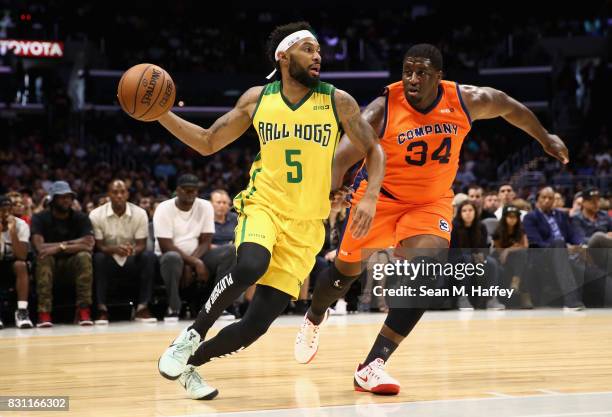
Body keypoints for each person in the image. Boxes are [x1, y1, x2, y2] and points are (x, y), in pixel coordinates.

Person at [295, 43, 569, 395]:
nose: (412, 79)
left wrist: (544, 138)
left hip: (429, 203)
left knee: (427, 274)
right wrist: (333, 189)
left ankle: (372, 364)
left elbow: (508, 106)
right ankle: (315, 316)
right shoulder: (382, 110)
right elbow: (341, 156)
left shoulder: (466, 100)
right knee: (344, 275)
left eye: (421, 73)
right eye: (407, 71)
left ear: (438, 76)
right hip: (378, 199)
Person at [137, 21, 385, 400]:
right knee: (250, 264)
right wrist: (160, 115)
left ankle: (190, 366)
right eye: (307, 48)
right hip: (264, 205)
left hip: (307, 226)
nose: (317, 55)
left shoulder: (338, 101)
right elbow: (207, 142)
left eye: (318, 49)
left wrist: (369, 196)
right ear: (283, 56)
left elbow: (374, 149)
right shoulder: (257, 99)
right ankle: (189, 335)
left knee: (254, 327)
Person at [89, 180, 157, 324]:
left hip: (131, 257)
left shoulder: (140, 213)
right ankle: (102, 310)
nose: (119, 195)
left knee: (148, 257)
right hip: (108, 257)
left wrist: (131, 251)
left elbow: (141, 244)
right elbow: (99, 246)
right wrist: (114, 249)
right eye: (115, 192)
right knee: (97, 258)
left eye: (122, 192)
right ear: (109, 194)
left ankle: (142, 308)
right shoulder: (96, 215)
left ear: (127, 194)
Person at [153, 175, 217, 322]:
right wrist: (194, 263)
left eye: (194, 190)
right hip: (168, 258)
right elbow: (165, 245)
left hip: (198, 255)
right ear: (178, 190)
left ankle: (216, 306)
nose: (191, 193)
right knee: (172, 258)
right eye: (187, 190)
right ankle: (173, 307)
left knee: (230, 252)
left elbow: (206, 241)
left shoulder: (205, 206)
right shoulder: (163, 208)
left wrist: (192, 262)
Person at [31, 181, 94, 327]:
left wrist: (60, 247)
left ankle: (83, 310)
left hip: (72, 264)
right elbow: (40, 247)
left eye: (69, 197)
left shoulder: (81, 217)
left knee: (84, 256)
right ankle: (44, 313)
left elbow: (88, 244)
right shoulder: (39, 218)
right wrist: (74, 243)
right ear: (52, 200)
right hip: (49, 264)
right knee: (44, 258)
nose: (67, 200)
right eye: (62, 197)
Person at [523, 187, 585, 310]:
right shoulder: (530, 217)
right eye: (543, 197)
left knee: (590, 270)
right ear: (537, 200)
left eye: (550, 198)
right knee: (558, 243)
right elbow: (536, 242)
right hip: (543, 255)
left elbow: (572, 234)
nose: (547, 200)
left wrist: (580, 245)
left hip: (564, 253)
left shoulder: (561, 215)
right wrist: (562, 246)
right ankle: (570, 300)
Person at [450, 201, 503, 311]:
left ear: (475, 212)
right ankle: (462, 297)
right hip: (457, 259)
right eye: (464, 211)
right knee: (467, 259)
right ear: (460, 213)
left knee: (491, 262)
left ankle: (491, 299)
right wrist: (473, 255)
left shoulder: (481, 227)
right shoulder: (453, 227)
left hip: (474, 256)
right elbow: (454, 250)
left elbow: (483, 247)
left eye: (470, 210)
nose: (468, 213)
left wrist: (481, 255)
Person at [0, 195, 33, 329]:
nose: (6, 213)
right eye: (2, 209)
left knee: (21, 265)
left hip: (13, 264)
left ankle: (22, 312)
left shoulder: (21, 225)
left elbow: (22, 255)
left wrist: (12, 232)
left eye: (9, 208)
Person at [492, 205, 532, 308]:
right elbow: (499, 252)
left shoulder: (520, 230)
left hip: (516, 259)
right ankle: (524, 296)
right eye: (509, 216)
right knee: (522, 261)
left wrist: (509, 250)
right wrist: (511, 249)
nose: (512, 219)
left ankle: (516, 282)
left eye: (515, 217)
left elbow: (525, 246)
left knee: (522, 256)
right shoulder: (498, 231)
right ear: (504, 217)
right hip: (502, 259)